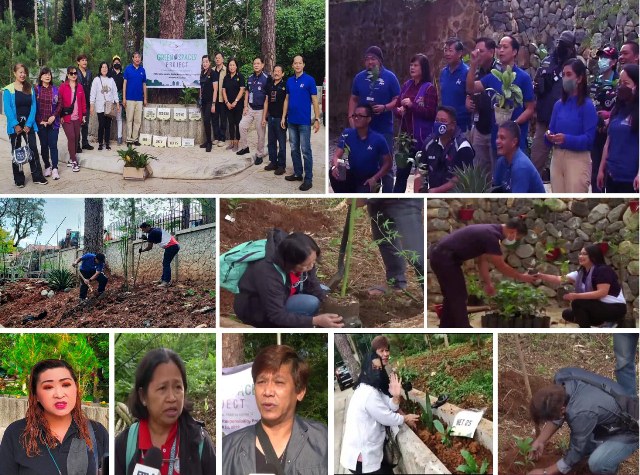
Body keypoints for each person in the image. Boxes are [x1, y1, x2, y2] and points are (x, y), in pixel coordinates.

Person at [223, 345, 328, 474]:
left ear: (300, 391)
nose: (267, 392)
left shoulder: (323, 441)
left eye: (279, 382)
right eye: (261, 382)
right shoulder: (227, 449)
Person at [115, 348, 215, 475]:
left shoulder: (199, 441)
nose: (172, 398)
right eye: (162, 388)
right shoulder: (125, 444)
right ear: (143, 396)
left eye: (178, 387)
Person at [0, 359, 108, 475]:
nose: (59, 394)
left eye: (66, 385)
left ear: (76, 388)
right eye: (48, 387)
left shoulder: (97, 431)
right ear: (36, 395)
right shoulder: (16, 434)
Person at [528, 367, 639, 475]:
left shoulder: (581, 412)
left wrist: (545, 472)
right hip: (613, 406)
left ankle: (608, 463)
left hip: (631, 428)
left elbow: (576, 450)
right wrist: (540, 441)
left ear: (562, 409)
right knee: (585, 443)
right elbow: (558, 414)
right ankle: (594, 449)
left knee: (597, 463)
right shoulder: (562, 378)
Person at [428, 218, 536, 327]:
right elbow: (501, 265)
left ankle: (446, 326)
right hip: (444, 258)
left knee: (452, 295)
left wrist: (488, 283)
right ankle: (464, 328)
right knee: (459, 296)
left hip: (442, 256)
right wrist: (521, 277)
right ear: (513, 232)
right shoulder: (491, 236)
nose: (515, 240)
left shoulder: (491, 231)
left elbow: (482, 260)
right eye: (518, 238)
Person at [234, 229, 344, 328]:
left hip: (284, 293)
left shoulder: (302, 257)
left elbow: (312, 282)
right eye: (306, 265)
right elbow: (276, 315)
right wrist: (315, 321)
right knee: (311, 303)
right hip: (258, 312)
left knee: (323, 289)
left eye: (313, 261)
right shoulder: (268, 274)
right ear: (290, 263)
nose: (311, 267)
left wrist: (326, 298)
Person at [340, 349, 419, 474]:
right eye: (373, 368)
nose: (376, 371)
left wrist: (396, 396)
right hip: (362, 457)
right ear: (365, 370)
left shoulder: (372, 388)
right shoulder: (368, 393)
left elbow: (390, 406)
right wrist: (405, 418)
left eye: (379, 368)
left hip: (368, 454)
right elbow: (386, 417)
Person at [467, 35, 535, 152]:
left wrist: (514, 124)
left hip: (515, 141)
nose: (501, 50)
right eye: (500, 47)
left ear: (514, 52)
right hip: (496, 139)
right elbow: (471, 88)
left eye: (505, 47)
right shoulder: (494, 75)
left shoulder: (524, 78)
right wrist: (473, 65)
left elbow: (530, 109)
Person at [534, 244, 627, 327]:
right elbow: (559, 279)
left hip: (615, 308)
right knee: (567, 314)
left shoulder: (603, 270)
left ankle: (587, 330)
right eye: (580, 254)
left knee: (578, 303)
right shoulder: (581, 273)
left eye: (584, 254)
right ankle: (600, 324)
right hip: (598, 308)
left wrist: (576, 296)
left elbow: (602, 293)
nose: (580, 256)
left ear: (593, 256)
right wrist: (540, 275)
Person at [348, 46, 401, 192]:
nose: (370, 62)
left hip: (384, 129)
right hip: (364, 130)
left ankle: (388, 198)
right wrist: (351, 117)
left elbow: (398, 99)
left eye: (373, 59)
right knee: (366, 165)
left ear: (380, 60)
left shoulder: (390, 77)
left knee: (386, 167)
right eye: (367, 59)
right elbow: (353, 98)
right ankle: (371, 197)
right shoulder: (359, 78)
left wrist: (385, 107)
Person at [545, 58, 598, 193]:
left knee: (575, 202)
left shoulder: (587, 106)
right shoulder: (558, 105)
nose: (565, 78)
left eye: (569, 74)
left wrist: (566, 139)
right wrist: (549, 136)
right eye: (563, 75)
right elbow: (551, 129)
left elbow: (589, 139)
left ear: (579, 78)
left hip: (577, 159)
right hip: (557, 158)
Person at [531, 31, 577, 178]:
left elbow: (579, 94)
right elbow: (536, 83)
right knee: (535, 162)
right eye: (560, 43)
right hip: (544, 121)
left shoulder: (575, 66)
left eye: (565, 45)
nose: (561, 47)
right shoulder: (546, 62)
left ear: (571, 47)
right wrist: (538, 88)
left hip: (565, 124)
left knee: (565, 167)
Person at [393, 53, 438, 192]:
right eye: (411, 65)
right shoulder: (407, 85)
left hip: (421, 139)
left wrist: (413, 106)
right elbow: (397, 107)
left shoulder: (429, 88)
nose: (412, 67)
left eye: (416, 65)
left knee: (420, 177)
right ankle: (396, 200)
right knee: (401, 174)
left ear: (423, 68)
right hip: (405, 139)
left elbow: (431, 114)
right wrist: (399, 110)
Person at [366, 199, 424, 296]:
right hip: (377, 204)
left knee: (415, 252)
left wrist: (364, 198)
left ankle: (430, 295)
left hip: (403, 203)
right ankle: (395, 283)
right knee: (386, 241)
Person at [3, 63, 48, 188]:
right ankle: (19, 178)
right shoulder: (8, 90)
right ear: (15, 73)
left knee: (33, 149)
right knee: (16, 152)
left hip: (29, 125)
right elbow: (7, 109)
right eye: (20, 72)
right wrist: (15, 125)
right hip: (15, 127)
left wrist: (28, 124)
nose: (23, 75)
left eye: (24, 72)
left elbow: (34, 107)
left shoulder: (30, 88)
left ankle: (37, 176)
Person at [330, 104, 392, 193]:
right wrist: (334, 167)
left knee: (362, 197)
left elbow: (388, 163)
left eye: (360, 116)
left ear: (369, 119)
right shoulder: (347, 133)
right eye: (354, 115)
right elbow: (336, 156)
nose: (356, 118)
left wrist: (374, 178)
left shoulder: (379, 139)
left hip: (369, 178)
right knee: (333, 173)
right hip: (352, 175)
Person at [597, 64, 639, 193]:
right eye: (620, 82)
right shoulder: (617, 110)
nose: (621, 86)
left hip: (631, 179)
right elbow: (608, 143)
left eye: (626, 83)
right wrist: (601, 169)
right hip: (611, 175)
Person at [282, 55, 321, 191]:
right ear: (292, 65)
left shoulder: (309, 80)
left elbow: (315, 100)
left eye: (300, 63)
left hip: (304, 122)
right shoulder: (290, 81)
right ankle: (298, 173)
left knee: (305, 150)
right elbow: (287, 99)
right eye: (295, 63)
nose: (297, 65)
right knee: (293, 149)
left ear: (303, 65)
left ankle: (308, 178)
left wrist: (317, 119)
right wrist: (283, 117)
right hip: (291, 121)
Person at [415, 105, 474, 193]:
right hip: (432, 195)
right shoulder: (429, 143)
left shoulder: (463, 147)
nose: (438, 124)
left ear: (453, 125)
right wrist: (418, 195)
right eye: (437, 120)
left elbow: (461, 178)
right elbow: (421, 171)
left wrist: (435, 192)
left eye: (443, 121)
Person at [589, 45, 619, 192]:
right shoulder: (595, 82)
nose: (601, 61)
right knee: (595, 172)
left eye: (605, 58)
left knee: (610, 172)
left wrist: (609, 115)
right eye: (600, 57)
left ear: (613, 62)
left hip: (612, 134)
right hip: (596, 134)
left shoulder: (619, 82)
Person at [466, 37, 498, 176]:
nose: (477, 54)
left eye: (481, 51)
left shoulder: (499, 72)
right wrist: (468, 100)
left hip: (494, 129)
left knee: (495, 171)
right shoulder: (477, 72)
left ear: (491, 52)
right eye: (476, 51)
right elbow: (470, 89)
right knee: (480, 172)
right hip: (479, 127)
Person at [493, 121, 546, 193]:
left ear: (514, 142)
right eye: (497, 137)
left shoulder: (521, 167)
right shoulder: (501, 162)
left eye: (502, 138)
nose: (497, 141)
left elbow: (517, 202)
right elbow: (495, 192)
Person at [237, 57, 269, 163]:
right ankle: (245, 147)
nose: (256, 65)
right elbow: (247, 92)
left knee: (260, 133)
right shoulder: (250, 77)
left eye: (258, 63)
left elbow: (267, 98)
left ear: (262, 65)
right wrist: (245, 106)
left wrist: (265, 116)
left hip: (261, 110)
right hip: (250, 108)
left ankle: (259, 154)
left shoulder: (267, 78)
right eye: (254, 63)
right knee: (242, 125)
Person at [35, 66, 62, 180]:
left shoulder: (55, 89)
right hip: (41, 123)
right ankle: (47, 166)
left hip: (53, 122)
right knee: (44, 146)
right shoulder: (36, 89)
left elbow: (60, 104)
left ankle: (55, 168)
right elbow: (33, 107)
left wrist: (53, 116)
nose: (47, 76)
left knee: (53, 146)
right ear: (41, 76)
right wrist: (40, 120)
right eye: (45, 74)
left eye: (49, 74)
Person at [59, 66, 87, 173]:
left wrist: (84, 115)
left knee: (76, 138)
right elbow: (59, 103)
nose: (73, 75)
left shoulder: (80, 87)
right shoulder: (62, 87)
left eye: (75, 73)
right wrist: (60, 115)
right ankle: (74, 161)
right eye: (71, 73)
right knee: (71, 137)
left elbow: (83, 102)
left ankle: (71, 157)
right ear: (67, 75)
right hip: (66, 117)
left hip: (77, 117)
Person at [440, 38, 471, 132]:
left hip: (462, 125)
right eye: (445, 50)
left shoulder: (467, 72)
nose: (447, 54)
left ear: (460, 53)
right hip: (445, 124)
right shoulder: (443, 72)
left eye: (450, 51)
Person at [262, 64, 288, 175]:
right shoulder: (270, 85)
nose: (276, 73)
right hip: (271, 118)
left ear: (282, 73)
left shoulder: (285, 85)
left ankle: (281, 165)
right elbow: (266, 101)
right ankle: (273, 162)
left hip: (280, 119)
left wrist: (283, 117)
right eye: (275, 71)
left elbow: (287, 101)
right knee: (271, 142)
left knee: (282, 143)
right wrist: (264, 117)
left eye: (279, 71)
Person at [138, 222, 180, 287]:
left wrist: (142, 250)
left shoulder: (151, 233)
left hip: (171, 246)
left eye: (143, 229)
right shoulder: (156, 229)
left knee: (166, 263)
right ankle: (163, 279)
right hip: (174, 245)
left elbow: (149, 247)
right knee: (165, 263)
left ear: (147, 227)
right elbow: (157, 240)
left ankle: (166, 281)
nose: (143, 231)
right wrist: (147, 239)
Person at [90, 61, 119, 151]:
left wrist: (117, 103)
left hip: (109, 106)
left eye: (106, 67)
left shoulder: (111, 80)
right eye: (102, 67)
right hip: (100, 106)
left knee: (108, 125)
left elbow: (115, 92)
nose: (104, 69)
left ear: (108, 69)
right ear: (100, 69)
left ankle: (107, 143)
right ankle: (100, 143)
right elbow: (93, 93)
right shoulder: (96, 80)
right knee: (101, 125)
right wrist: (92, 104)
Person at [122, 52, 147, 146]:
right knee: (129, 120)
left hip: (140, 99)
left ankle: (135, 139)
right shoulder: (128, 69)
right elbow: (124, 84)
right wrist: (124, 98)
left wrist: (145, 98)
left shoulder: (142, 70)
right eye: (136, 57)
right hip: (129, 99)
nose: (137, 59)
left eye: (139, 57)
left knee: (137, 120)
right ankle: (129, 139)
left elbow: (144, 85)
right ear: (133, 58)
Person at [222, 58, 245, 152]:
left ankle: (237, 143)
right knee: (230, 123)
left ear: (236, 66)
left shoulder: (240, 76)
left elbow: (242, 89)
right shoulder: (226, 77)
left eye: (233, 65)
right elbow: (223, 90)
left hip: (238, 104)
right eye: (230, 65)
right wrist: (227, 102)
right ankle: (231, 143)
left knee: (237, 124)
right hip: (228, 105)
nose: (231, 67)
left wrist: (235, 101)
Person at [199, 55, 219, 152]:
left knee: (207, 120)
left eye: (206, 61)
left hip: (210, 101)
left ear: (210, 63)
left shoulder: (214, 73)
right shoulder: (202, 73)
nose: (205, 63)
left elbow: (215, 89)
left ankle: (210, 143)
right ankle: (207, 141)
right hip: (203, 101)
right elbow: (201, 87)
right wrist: (200, 98)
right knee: (205, 121)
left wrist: (214, 104)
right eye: (203, 62)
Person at [76, 54, 94, 151]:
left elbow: (91, 88)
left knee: (85, 123)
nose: (85, 62)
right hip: (77, 102)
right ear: (78, 62)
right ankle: (77, 144)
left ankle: (85, 143)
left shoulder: (89, 72)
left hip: (87, 101)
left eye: (86, 60)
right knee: (78, 124)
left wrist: (91, 103)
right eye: (82, 60)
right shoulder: (75, 72)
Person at [107, 55, 125, 145]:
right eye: (115, 62)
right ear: (112, 63)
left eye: (118, 62)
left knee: (119, 118)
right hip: (110, 98)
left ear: (120, 63)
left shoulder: (123, 74)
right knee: (109, 118)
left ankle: (119, 137)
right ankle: (107, 138)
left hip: (119, 98)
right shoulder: (109, 74)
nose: (116, 63)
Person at [213, 52, 228, 147]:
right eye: (216, 58)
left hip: (223, 99)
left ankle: (222, 138)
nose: (217, 59)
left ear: (222, 59)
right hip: (214, 99)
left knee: (223, 119)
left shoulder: (226, 70)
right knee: (214, 119)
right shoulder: (212, 70)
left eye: (219, 58)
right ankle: (216, 137)